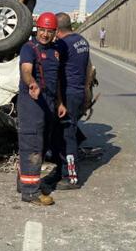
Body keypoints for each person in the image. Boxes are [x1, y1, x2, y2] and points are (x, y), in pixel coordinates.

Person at [16, 12, 63, 205]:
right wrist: (32, 83)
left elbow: (56, 79)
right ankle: (30, 192)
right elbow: (26, 70)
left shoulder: (55, 50)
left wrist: (59, 102)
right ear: (37, 28)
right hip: (31, 103)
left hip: (49, 103)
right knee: (32, 146)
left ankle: (26, 182)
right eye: (42, 30)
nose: (44, 34)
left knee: (42, 145)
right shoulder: (29, 48)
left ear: (55, 32)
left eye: (49, 31)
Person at [51, 12, 93, 189]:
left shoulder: (62, 44)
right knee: (68, 132)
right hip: (78, 93)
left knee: (67, 135)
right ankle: (62, 170)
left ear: (57, 30)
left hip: (68, 94)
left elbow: (56, 73)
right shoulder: (82, 41)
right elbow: (89, 68)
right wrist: (86, 93)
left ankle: (71, 177)